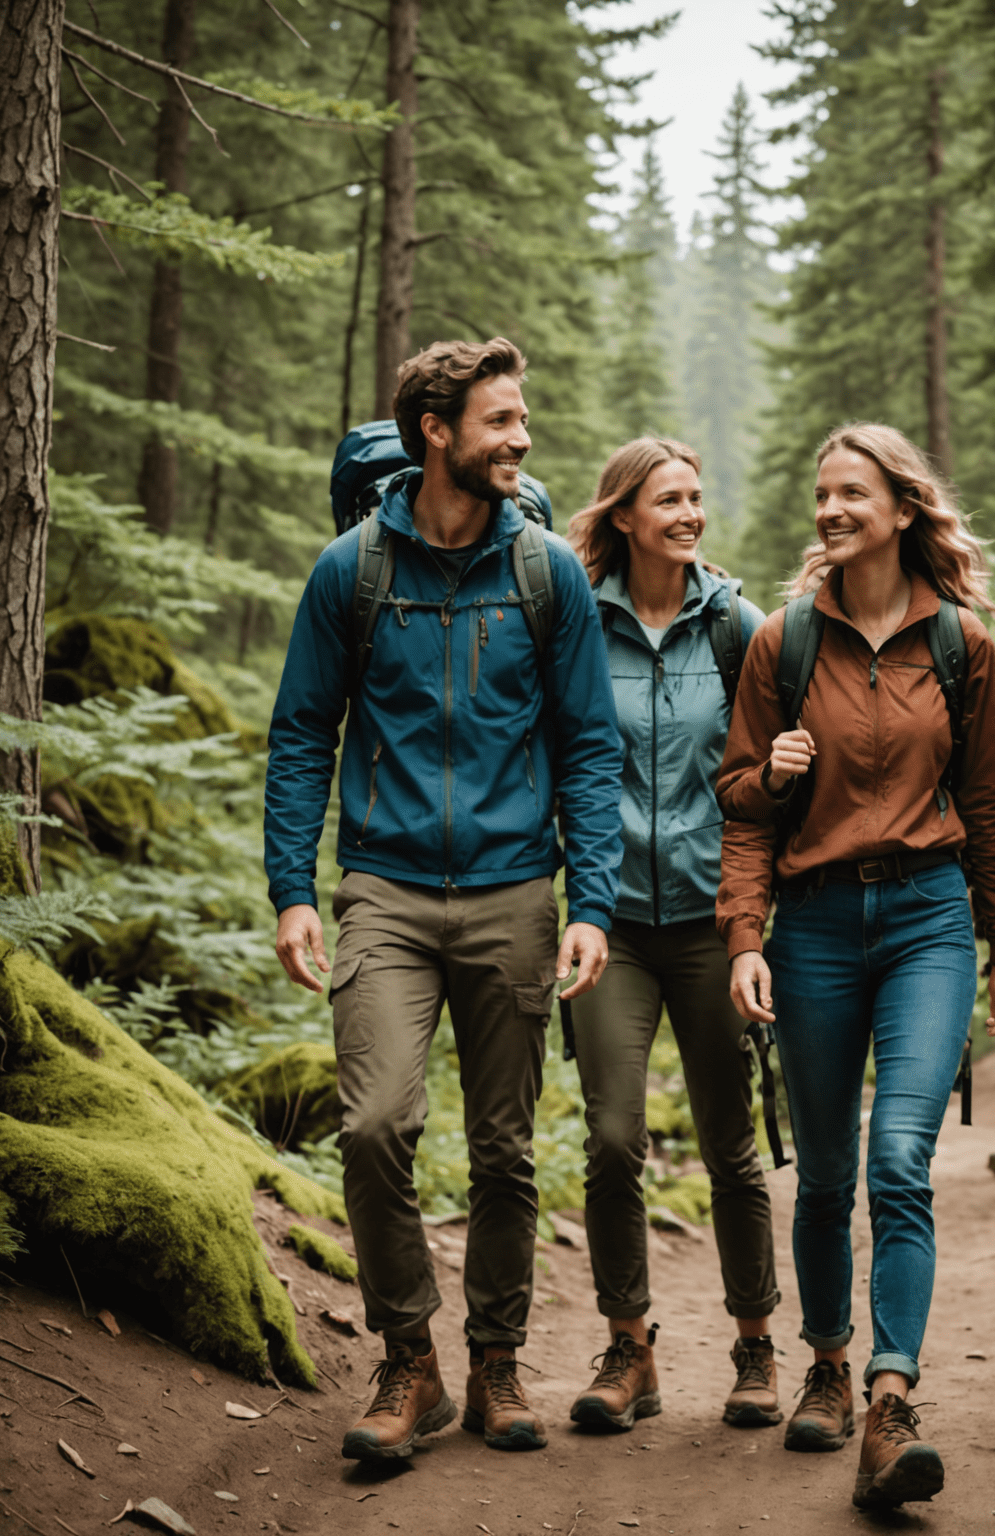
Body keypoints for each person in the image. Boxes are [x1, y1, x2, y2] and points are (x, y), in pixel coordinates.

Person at [264, 338, 623, 1462]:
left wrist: (590, 901)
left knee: (506, 1153)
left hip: (518, 892)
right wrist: (293, 889)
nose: (520, 440)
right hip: (384, 890)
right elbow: (299, 737)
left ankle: (497, 1366)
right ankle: (409, 1359)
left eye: (522, 421)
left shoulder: (546, 571)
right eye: (500, 421)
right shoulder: (353, 571)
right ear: (436, 431)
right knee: (375, 1125)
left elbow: (589, 746)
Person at [716, 422, 995, 1512]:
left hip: (926, 923)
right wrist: (744, 936)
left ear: (902, 509)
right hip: (808, 928)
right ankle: (829, 1363)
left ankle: (892, 1397)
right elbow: (740, 804)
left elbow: (990, 804)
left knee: (900, 1158)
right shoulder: (782, 643)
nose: (832, 510)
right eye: (822, 495)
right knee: (826, 1172)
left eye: (852, 493)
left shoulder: (961, 647)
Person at [561, 438, 782, 1433]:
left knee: (731, 1147)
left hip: (708, 920)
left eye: (698, 495)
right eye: (670, 500)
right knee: (612, 1141)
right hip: (609, 926)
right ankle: (630, 1350)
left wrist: (754, 924)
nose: (691, 513)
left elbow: (754, 783)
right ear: (623, 516)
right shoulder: (576, 622)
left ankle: (755, 1347)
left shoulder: (733, 625)